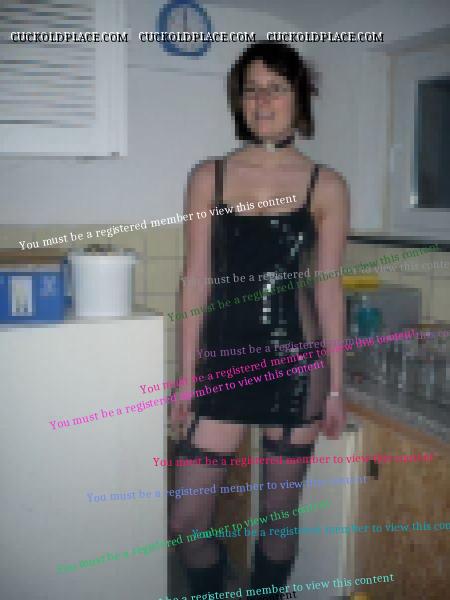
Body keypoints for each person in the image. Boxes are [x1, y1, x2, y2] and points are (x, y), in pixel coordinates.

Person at [169, 40, 349, 594]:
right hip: (224, 363)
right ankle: (214, 580)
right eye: (251, 89)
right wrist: (185, 376)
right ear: (239, 101)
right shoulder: (209, 176)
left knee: (277, 516)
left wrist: (336, 388)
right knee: (186, 522)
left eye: (276, 87)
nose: (262, 100)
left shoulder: (326, 185)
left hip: (295, 366)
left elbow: (328, 289)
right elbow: (194, 279)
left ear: (299, 98)